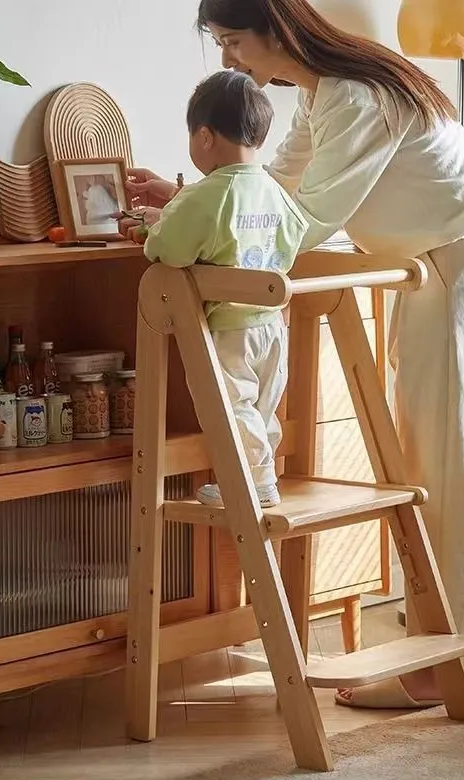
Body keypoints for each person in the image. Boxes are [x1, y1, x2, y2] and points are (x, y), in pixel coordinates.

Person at [117, 0, 464, 711]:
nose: (230, 60)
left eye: (234, 41)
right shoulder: (319, 98)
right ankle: (437, 650)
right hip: (428, 267)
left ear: (277, 31)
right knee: (429, 459)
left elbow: (310, 218)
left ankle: (441, 664)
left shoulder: (358, 96)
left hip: (458, 269)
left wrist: (192, 221)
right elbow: (272, 192)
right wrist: (187, 200)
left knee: (449, 466)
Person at [136, 69, 308, 509]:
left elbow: (168, 248)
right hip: (272, 324)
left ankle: (254, 483)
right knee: (259, 409)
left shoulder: (209, 194)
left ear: (205, 137)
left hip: (230, 327)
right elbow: (294, 235)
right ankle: (257, 473)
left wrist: (148, 234)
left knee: (230, 406)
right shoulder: (273, 188)